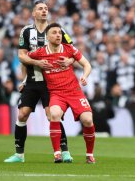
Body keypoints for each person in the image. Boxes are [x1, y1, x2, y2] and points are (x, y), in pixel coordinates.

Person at [4, 1, 74, 163]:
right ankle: (19, 155)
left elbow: (72, 52)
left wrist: (69, 62)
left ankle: (65, 152)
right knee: (22, 114)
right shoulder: (26, 31)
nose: (44, 11)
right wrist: (35, 66)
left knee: (53, 116)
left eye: (46, 9)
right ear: (33, 13)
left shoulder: (58, 31)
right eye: (40, 9)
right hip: (33, 80)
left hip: (52, 82)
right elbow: (21, 56)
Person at [27, 22, 96, 164]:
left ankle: (89, 154)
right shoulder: (40, 53)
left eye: (59, 33)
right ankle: (57, 154)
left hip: (75, 92)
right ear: (47, 36)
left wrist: (84, 76)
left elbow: (87, 64)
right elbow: (24, 58)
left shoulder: (69, 49)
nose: (58, 35)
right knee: (55, 114)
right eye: (54, 32)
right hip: (57, 93)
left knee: (88, 120)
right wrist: (35, 67)